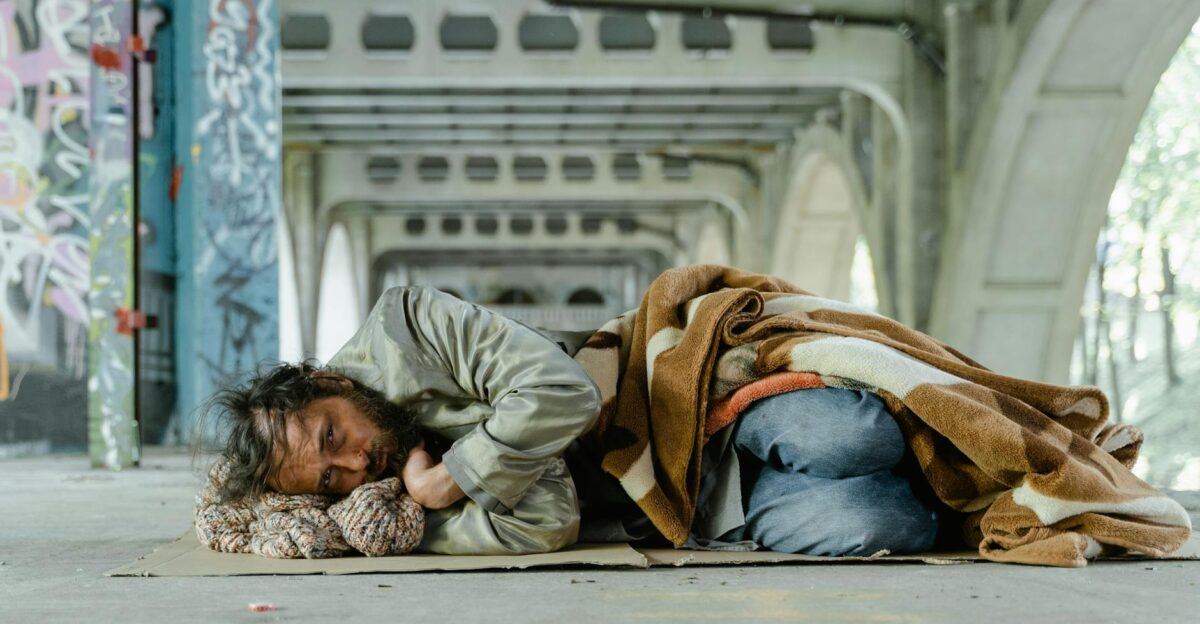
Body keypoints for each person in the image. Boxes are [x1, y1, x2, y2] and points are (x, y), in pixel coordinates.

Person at [201, 284, 939, 556]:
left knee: (858, 435)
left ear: (329, 382)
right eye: (330, 479)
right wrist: (426, 508)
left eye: (334, 436)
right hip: (679, 508)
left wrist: (458, 473)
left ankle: (943, 451)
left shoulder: (410, 327)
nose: (357, 465)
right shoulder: (390, 516)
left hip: (679, 416)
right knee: (887, 521)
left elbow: (563, 393)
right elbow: (547, 523)